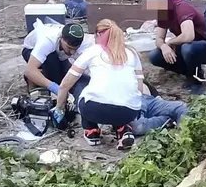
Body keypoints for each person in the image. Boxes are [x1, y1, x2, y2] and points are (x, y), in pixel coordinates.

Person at [55, 19, 142, 149]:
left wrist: (59, 108)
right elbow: (139, 87)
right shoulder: (132, 53)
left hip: (94, 110)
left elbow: (65, 84)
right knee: (118, 95)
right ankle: (123, 129)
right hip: (129, 112)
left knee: (83, 90)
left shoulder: (93, 51)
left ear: (98, 35)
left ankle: (91, 131)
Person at [146, 0, 206, 95]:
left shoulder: (182, 8)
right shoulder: (163, 12)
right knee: (154, 56)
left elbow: (188, 36)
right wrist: (164, 47)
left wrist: (170, 42)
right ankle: (189, 72)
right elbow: (159, 38)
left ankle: (196, 81)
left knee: (187, 48)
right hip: (188, 47)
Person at [22, 21, 90, 100]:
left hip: (57, 52)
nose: (72, 52)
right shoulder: (47, 40)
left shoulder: (84, 43)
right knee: (54, 73)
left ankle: (44, 76)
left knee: (66, 74)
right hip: (31, 49)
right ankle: (34, 82)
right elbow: (29, 71)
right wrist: (54, 87)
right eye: (69, 48)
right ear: (61, 38)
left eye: (75, 49)